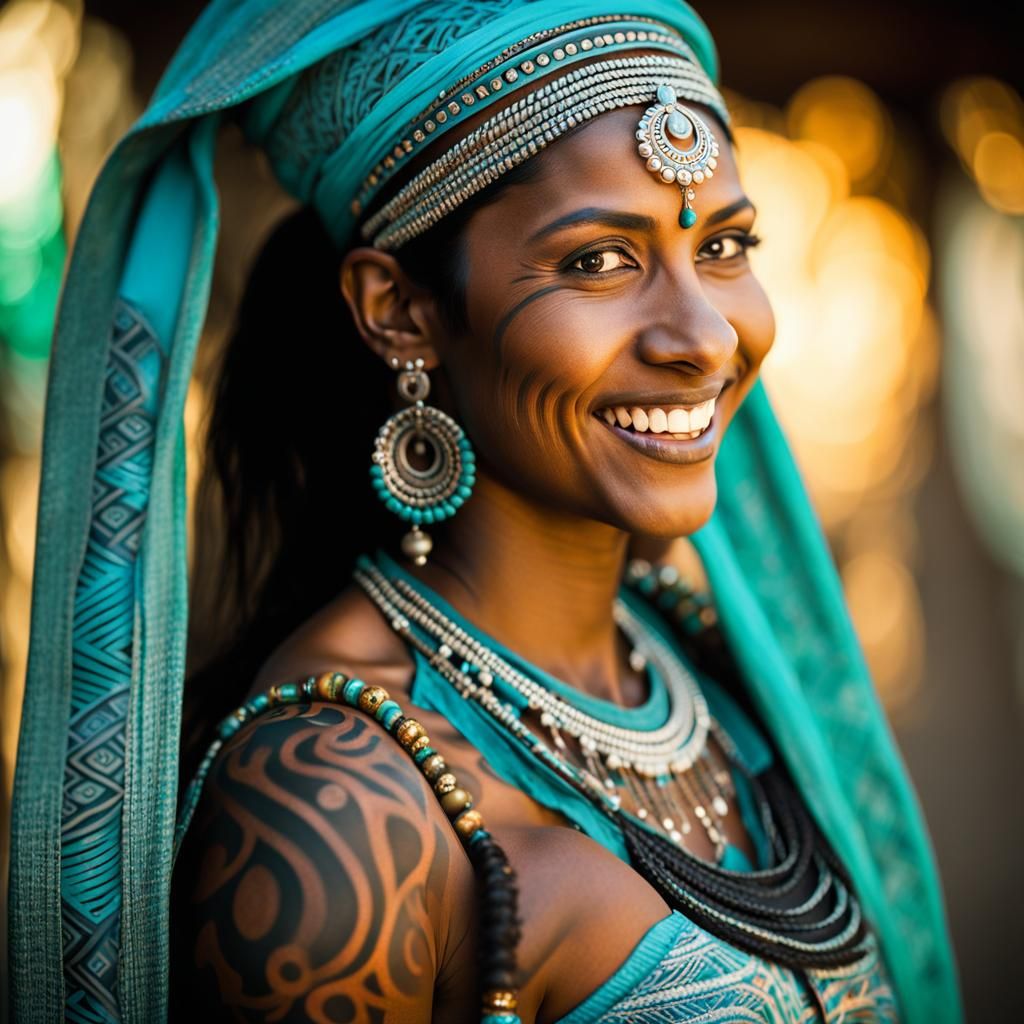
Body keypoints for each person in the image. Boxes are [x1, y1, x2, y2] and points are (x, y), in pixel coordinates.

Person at [7, 2, 961, 1022]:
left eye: (724, 245)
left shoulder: (712, 681)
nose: (702, 336)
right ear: (400, 310)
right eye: (598, 260)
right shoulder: (335, 810)